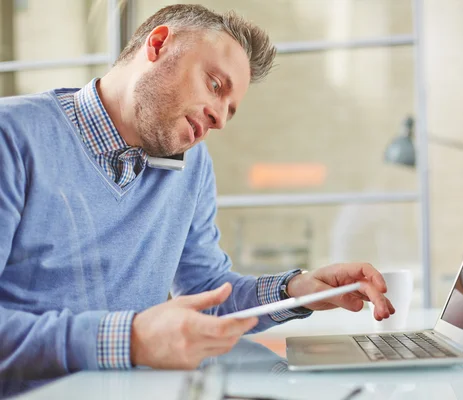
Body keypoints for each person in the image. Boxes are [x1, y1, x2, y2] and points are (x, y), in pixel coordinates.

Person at [0, 4, 395, 379]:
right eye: (214, 84)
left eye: (230, 109)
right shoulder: (12, 138)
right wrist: (131, 339)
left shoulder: (192, 167)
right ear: (157, 45)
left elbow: (209, 293)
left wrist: (297, 292)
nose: (220, 118)